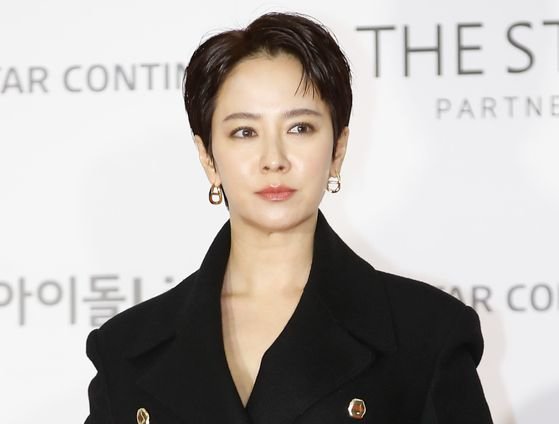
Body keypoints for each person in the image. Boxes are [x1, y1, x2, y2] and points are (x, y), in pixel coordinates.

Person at [84, 12, 493, 424]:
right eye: (245, 132)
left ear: (338, 149)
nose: (274, 159)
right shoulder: (126, 349)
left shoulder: (426, 334)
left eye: (300, 128)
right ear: (208, 157)